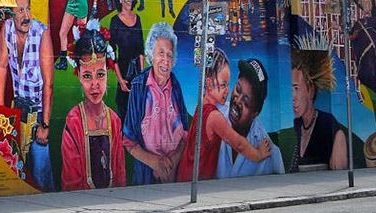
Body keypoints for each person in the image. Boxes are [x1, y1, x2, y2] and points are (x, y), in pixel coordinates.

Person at [176, 49, 272, 182]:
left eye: (228, 85)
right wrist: (258, 154)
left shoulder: (201, 108)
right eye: (223, 85)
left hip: (186, 174)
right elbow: (238, 144)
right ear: (209, 84)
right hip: (197, 177)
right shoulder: (215, 117)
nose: (227, 90)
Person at [0, 0, 55, 190]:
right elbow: (2, 66)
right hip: (17, 110)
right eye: (20, 10)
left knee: (40, 175)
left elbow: (49, 84)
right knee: (17, 170)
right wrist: (1, 111)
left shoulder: (41, 33)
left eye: (27, 9)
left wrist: (44, 125)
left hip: (37, 113)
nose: (26, 15)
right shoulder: (7, 29)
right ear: (11, 13)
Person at [122, 22, 189, 184]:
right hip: (146, 174)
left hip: (174, 172)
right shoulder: (139, 87)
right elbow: (129, 141)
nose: (165, 60)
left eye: (169, 55)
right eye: (161, 53)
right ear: (151, 55)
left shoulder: (176, 86)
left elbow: (185, 133)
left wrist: (171, 163)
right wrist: (156, 163)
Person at [61, 30, 126, 191]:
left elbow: (120, 173)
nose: (95, 84)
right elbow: (71, 180)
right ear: (79, 76)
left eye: (101, 74)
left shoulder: (114, 121)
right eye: (87, 76)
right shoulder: (74, 121)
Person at [217, 59, 285, 178]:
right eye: (238, 89)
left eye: (246, 101)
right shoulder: (214, 115)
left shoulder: (271, 153)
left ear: (255, 112)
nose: (237, 100)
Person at [289, 51, 348, 172]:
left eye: (296, 88)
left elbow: (339, 174)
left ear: (311, 90)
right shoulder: (296, 125)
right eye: (291, 89)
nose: (292, 96)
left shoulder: (330, 127)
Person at [108, 0, 144, 122]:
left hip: (137, 78)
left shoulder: (138, 19)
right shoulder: (114, 21)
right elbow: (112, 55)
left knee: (138, 117)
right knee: (124, 118)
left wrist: (142, 77)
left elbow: (141, 51)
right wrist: (120, 80)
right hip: (124, 77)